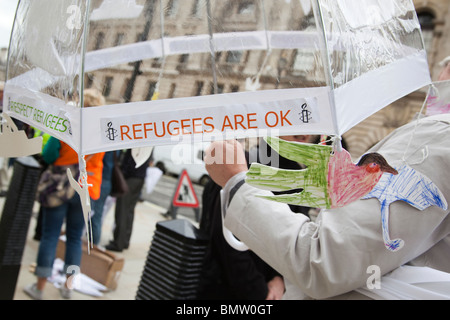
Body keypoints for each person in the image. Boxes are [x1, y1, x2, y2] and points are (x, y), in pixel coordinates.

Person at [204, 114, 450, 299]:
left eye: (309, 121)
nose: (303, 129)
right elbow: (229, 246)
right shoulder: (247, 164)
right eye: (293, 121)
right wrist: (260, 290)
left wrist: (277, 278)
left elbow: (323, 252)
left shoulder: (302, 172)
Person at [24, 89, 105, 300]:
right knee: (74, 239)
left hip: (61, 185)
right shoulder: (102, 132)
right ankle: (68, 287)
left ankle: (39, 287)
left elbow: (49, 154)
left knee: (50, 234)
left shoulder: (68, 125)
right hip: (86, 189)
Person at [197, 139, 287, 300]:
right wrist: (259, 291)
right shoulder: (241, 163)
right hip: (227, 288)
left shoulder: (294, 173)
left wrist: (279, 277)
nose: (304, 133)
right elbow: (227, 240)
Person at [105, 149, 152, 252]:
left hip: (130, 177)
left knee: (122, 210)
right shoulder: (148, 141)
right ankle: (124, 241)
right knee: (129, 210)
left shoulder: (137, 139)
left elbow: (131, 161)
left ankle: (118, 242)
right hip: (139, 177)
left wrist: (123, 172)